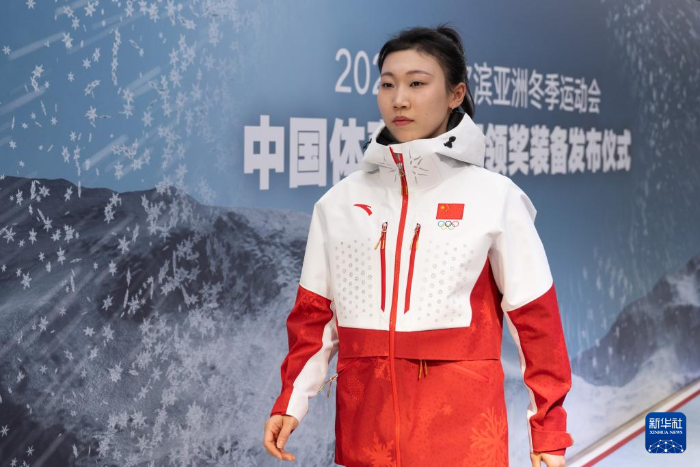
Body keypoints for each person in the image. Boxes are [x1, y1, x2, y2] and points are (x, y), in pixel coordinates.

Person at [263, 24, 573, 467]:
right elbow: (314, 317)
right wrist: (290, 402)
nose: (399, 99)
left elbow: (536, 324)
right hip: (365, 442)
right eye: (388, 84)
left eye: (416, 84)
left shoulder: (494, 198)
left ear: (455, 94)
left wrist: (549, 432)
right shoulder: (339, 203)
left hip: (463, 444)